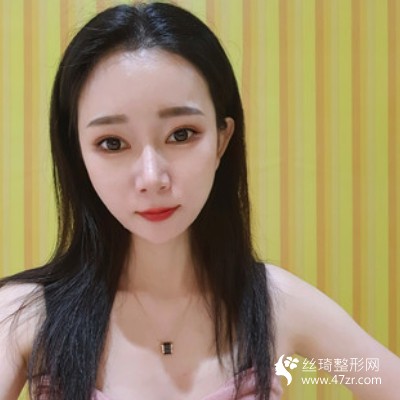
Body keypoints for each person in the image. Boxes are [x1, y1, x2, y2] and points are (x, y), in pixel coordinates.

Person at [0, 2, 398, 400]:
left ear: (222, 139)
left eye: (181, 134)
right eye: (112, 143)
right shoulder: (25, 314)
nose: (152, 178)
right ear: (77, 153)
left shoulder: (277, 304)